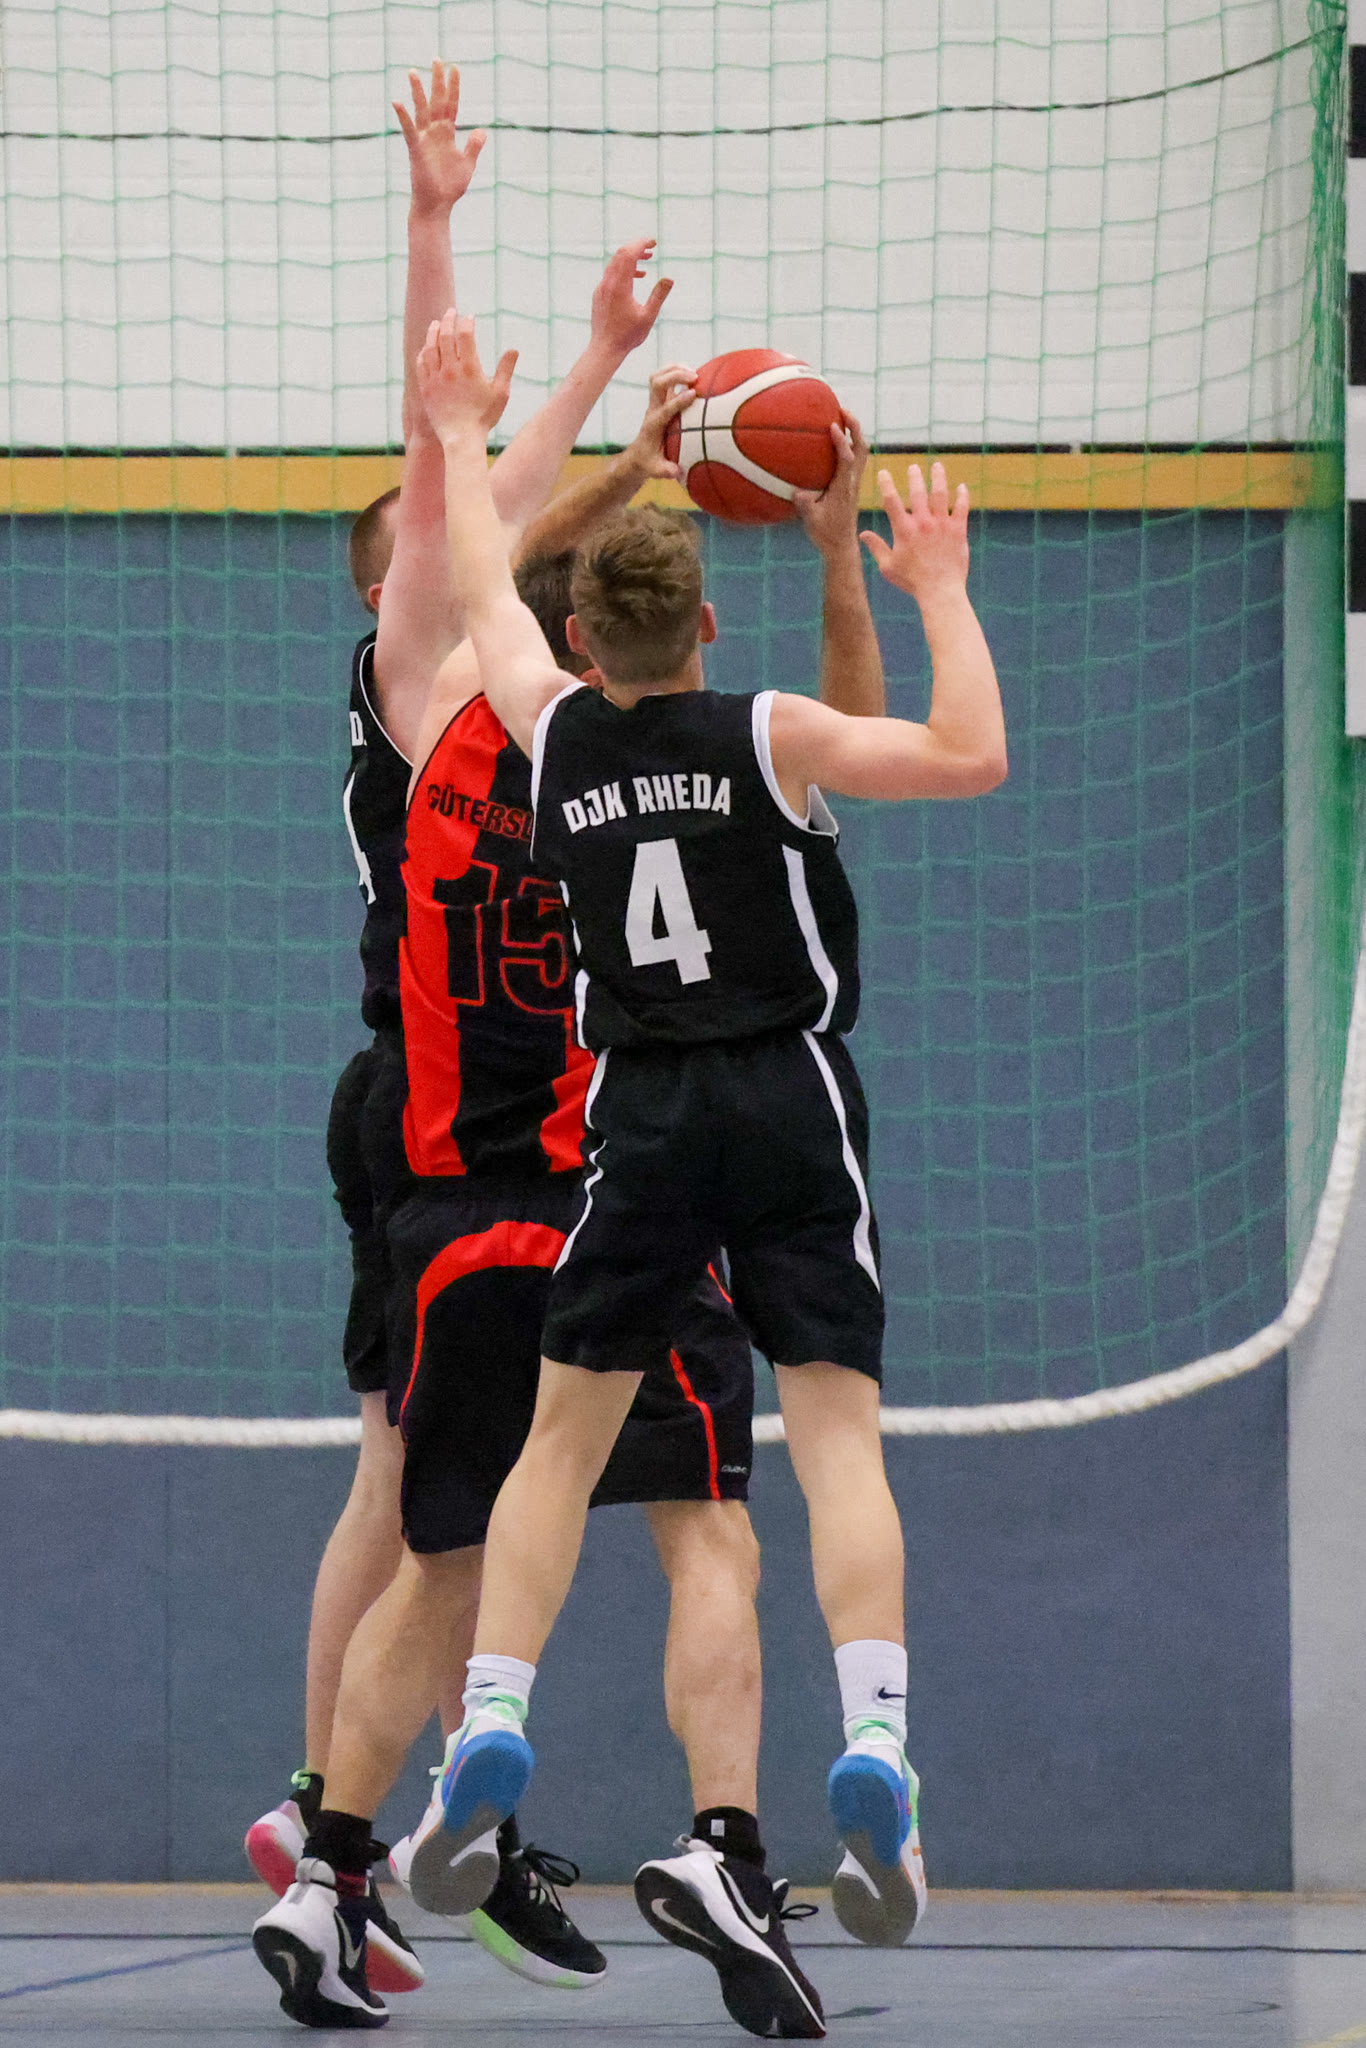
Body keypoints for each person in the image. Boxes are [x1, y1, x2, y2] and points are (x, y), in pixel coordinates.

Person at [251, 393, 890, 2043]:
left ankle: (327, 1871)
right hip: (607, 1187)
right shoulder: (638, 767)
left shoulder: (448, 749)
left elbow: (473, 559)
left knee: (440, 1562)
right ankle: (727, 1846)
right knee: (707, 1530)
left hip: (442, 1205)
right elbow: (863, 738)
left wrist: (538, 443)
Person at [405, 311, 1007, 1988]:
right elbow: (965, 755)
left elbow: (477, 583)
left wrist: (454, 434)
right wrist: (929, 584)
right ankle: (875, 1740)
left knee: (555, 1443)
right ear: (706, 626)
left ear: (580, 636)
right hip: (791, 1098)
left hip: (641, 1111)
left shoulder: (553, 735)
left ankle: (491, 1721)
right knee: (833, 1439)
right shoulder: (771, 734)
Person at [244, 60, 675, 1998]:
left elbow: (501, 525)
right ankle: (362, 1820)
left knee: (434, 1498)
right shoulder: (416, 662)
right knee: (436, 1509)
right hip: (442, 1126)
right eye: (454, 494)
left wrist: (591, 377)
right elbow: (460, 516)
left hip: (474, 1125)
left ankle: (366, 1823)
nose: (483, 501)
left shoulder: (514, 692)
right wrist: (437, 249)